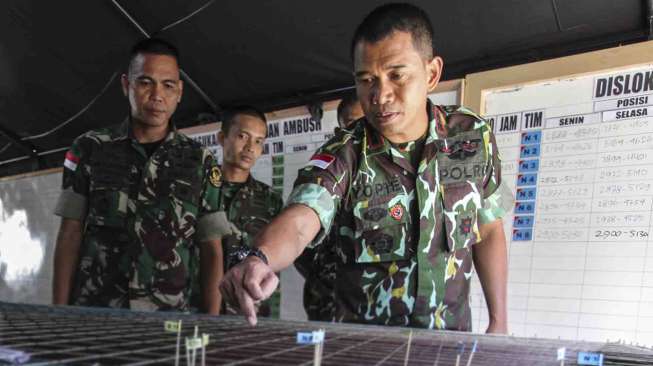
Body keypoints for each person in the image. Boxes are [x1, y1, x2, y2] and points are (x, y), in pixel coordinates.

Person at [220, 3, 513, 332]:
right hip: (368, 349)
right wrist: (259, 258)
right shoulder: (344, 154)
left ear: (431, 73)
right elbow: (301, 220)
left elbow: (488, 228)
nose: (380, 94)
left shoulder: (470, 137)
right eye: (366, 80)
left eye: (396, 75)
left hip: (447, 344)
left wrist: (499, 322)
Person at [52, 38, 224, 314]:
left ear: (179, 92)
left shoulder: (200, 162)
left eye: (168, 85)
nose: (157, 95)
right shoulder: (89, 148)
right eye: (145, 82)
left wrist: (212, 324)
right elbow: (70, 233)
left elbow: (211, 249)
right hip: (97, 311)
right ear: (126, 85)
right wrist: (58, 314)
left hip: (170, 318)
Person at [294, 94, 364, 321]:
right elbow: (299, 242)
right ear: (339, 131)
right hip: (329, 303)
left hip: (373, 307)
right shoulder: (324, 175)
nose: (363, 131)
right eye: (354, 124)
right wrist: (323, 275)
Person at [216, 106, 283, 317]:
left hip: (249, 312)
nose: (250, 147)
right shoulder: (198, 191)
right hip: (196, 310)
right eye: (242, 136)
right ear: (222, 137)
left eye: (258, 141)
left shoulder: (270, 200)